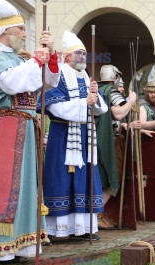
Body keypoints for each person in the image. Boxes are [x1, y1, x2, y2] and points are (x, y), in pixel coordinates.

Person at [0, 0, 58, 265]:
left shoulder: (20, 58)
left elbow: (47, 83)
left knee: (25, 189)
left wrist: (50, 56)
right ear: (5, 31)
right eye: (21, 29)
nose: (26, 34)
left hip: (24, 128)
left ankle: (21, 245)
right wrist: (37, 58)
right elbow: (11, 82)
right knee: (1, 190)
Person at [39, 30, 108, 242]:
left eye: (85, 54)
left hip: (85, 139)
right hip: (62, 138)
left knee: (84, 181)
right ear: (67, 56)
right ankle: (55, 230)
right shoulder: (57, 76)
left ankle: (84, 228)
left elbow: (101, 110)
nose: (83, 58)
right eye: (79, 53)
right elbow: (55, 108)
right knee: (60, 180)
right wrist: (83, 103)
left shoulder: (87, 78)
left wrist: (95, 97)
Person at [96, 65, 137, 229]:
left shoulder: (96, 89)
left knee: (99, 178)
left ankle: (96, 214)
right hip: (108, 141)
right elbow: (118, 113)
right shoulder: (110, 91)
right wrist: (131, 100)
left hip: (94, 139)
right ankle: (97, 214)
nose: (120, 87)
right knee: (112, 179)